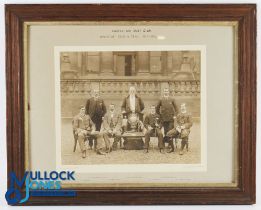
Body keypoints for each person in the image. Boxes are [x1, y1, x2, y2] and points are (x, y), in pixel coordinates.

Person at [156, 87, 178, 153]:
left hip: (171, 119)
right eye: (165, 91)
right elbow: (157, 108)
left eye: (167, 91)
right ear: (164, 92)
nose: (166, 92)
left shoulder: (172, 99)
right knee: (165, 132)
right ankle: (167, 144)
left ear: (169, 92)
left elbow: (176, 109)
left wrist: (175, 116)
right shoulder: (161, 99)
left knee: (170, 131)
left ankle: (170, 145)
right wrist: (160, 115)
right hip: (164, 119)